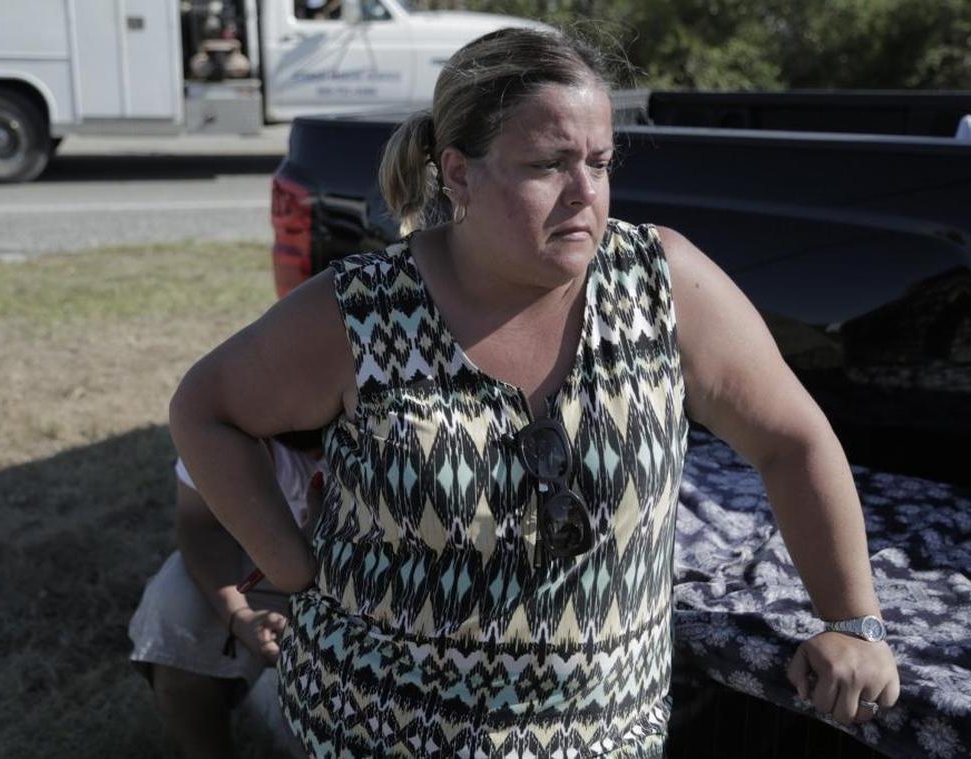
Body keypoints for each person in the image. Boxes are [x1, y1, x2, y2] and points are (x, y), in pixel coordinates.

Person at [169, 27, 900, 756]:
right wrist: (292, 565)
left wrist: (852, 619)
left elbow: (791, 438)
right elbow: (204, 410)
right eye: (549, 164)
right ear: (459, 175)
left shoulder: (662, 284)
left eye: (601, 162)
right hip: (376, 729)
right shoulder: (362, 312)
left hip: (606, 734)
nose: (586, 193)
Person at [128, 433, 321, 758]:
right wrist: (238, 615)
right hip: (266, 566)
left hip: (379, 582)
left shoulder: (392, 408)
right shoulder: (220, 409)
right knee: (176, 604)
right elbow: (199, 525)